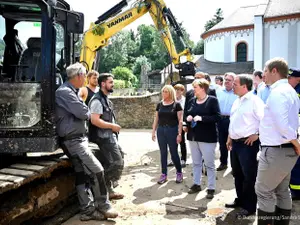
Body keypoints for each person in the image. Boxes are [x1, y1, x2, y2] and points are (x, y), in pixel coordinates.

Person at [55, 63, 118, 221]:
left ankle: (87, 211)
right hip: (73, 141)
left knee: (81, 174)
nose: (86, 78)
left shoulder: (73, 91)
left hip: (79, 138)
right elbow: (83, 113)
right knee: (97, 170)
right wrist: (86, 111)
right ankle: (104, 205)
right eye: (84, 75)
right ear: (78, 76)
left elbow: (81, 111)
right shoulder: (64, 92)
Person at [255, 58, 300, 225]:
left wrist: (296, 143)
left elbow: (283, 125)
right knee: (282, 190)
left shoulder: (278, 92)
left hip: (277, 150)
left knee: (263, 191)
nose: (263, 75)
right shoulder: (289, 91)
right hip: (283, 150)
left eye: (265, 71)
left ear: (274, 71)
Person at [225, 75, 264, 218]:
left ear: (244, 86)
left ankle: (249, 206)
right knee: (237, 174)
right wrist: (230, 137)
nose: (232, 86)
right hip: (235, 143)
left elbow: (265, 120)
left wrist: (258, 135)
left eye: (235, 84)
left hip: (248, 145)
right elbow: (233, 121)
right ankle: (240, 200)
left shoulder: (255, 101)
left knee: (249, 176)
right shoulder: (237, 101)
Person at [88, 73, 124, 200]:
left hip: (109, 137)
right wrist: (112, 126)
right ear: (103, 84)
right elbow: (95, 120)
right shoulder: (97, 100)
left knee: (116, 160)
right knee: (117, 163)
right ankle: (99, 188)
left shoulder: (105, 99)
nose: (112, 84)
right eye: (110, 82)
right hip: (103, 138)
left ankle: (108, 190)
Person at [185, 78, 221, 199]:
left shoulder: (212, 100)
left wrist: (203, 118)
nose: (193, 89)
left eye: (195, 87)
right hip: (193, 136)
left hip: (207, 137)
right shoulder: (191, 100)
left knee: (209, 164)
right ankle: (196, 184)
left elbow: (218, 117)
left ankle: (211, 187)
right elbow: (186, 113)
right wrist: (188, 118)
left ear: (202, 88)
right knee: (196, 163)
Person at [152, 85, 183, 184]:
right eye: (163, 91)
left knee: (174, 153)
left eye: (166, 92)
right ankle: (164, 174)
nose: (163, 93)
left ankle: (179, 173)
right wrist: (153, 131)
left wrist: (179, 134)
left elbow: (180, 121)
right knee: (163, 153)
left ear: (170, 93)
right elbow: (156, 119)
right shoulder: (160, 104)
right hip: (161, 130)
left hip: (172, 130)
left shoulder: (177, 105)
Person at [216, 72, 238, 171]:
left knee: (233, 143)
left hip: (232, 120)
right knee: (222, 143)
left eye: (229, 80)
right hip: (221, 120)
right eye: (226, 80)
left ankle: (234, 166)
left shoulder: (237, 93)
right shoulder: (219, 91)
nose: (227, 82)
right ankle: (223, 163)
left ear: (234, 81)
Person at [288, 68, 300, 200]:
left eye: (290, 78)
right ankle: (294, 188)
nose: (288, 80)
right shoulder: (292, 90)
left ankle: (296, 191)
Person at [168, 84, 187, 168]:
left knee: (182, 142)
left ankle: (183, 159)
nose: (177, 92)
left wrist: (185, 124)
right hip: (172, 124)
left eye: (179, 90)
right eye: (175, 90)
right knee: (172, 142)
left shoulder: (185, 101)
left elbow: (186, 114)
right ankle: (173, 159)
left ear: (182, 91)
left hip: (181, 124)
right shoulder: (172, 100)